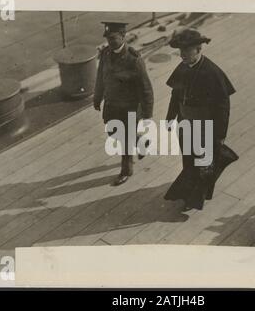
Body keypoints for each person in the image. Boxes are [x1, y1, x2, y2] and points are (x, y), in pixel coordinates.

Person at [164, 28, 238, 210]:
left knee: (203, 162)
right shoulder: (182, 68)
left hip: (205, 127)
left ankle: (196, 198)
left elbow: (223, 107)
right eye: (180, 51)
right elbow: (176, 95)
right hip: (185, 124)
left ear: (198, 49)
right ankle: (188, 190)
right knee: (188, 159)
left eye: (186, 51)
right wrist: (170, 117)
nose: (182, 55)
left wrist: (220, 134)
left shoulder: (212, 72)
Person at [93, 21, 154, 186]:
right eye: (108, 39)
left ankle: (126, 171)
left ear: (123, 36)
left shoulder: (134, 60)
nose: (110, 42)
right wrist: (97, 97)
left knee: (125, 140)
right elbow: (100, 78)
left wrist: (147, 115)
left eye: (113, 38)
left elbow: (146, 89)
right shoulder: (106, 54)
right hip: (112, 105)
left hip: (129, 108)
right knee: (113, 132)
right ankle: (140, 141)